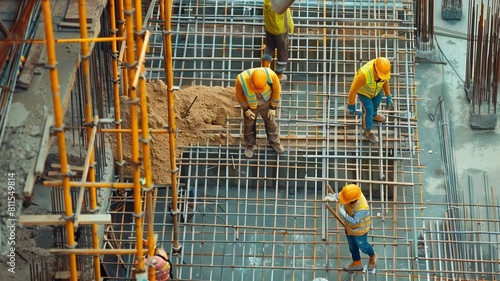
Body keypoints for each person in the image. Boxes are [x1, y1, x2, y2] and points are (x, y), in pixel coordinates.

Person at [235, 67, 285, 158]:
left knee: (271, 122)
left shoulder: (272, 76)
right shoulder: (241, 79)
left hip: (266, 102)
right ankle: (250, 144)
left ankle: (274, 142)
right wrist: (246, 109)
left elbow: (277, 91)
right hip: (250, 104)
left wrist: (273, 108)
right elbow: (239, 94)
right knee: (248, 124)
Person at [325, 184, 377, 271]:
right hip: (349, 228)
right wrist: (334, 196)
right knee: (352, 247)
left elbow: (355, 221)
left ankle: (373, 256)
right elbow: (342, 195)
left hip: (359, 231)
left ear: (352, 200)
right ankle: (357, 263)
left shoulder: (362, 207)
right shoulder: (351, 192)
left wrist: (343, 213)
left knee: (363, 246)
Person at [347, 57, 393, 143]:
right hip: (364, 93)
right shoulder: (363, 75)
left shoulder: (383, 70)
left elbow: (385, 82)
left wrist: (388, 95)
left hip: (376, 90)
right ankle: (367, 130)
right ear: (375, 70)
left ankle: (374, 115)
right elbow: (353, 90)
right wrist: (351, 104)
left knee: (376, 103)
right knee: (368, 109)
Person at [261, 0, 294, 81]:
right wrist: (291, 29)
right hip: (280, 31)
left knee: (269, 48)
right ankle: (278, 75)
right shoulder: (281, 6)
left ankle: (264, 70)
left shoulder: (266, 3)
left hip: (269, 29)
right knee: (283, 52)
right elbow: (288, 20)